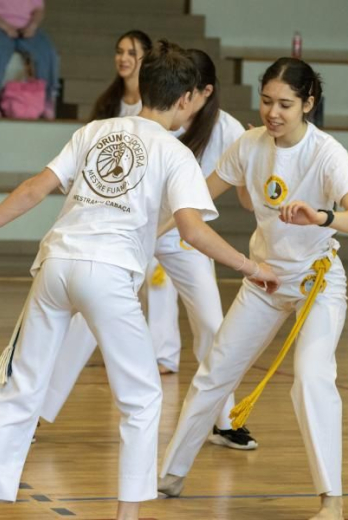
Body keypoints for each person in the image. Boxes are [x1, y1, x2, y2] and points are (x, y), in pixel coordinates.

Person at [0, 41, 279, 520]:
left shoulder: (95, 131)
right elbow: (192, 230)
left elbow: (32, 189)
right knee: (143, 399)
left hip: (56, 265)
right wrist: (252, 267)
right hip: (107, 273)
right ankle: (127, 516)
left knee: (20, 391)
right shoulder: (176, 152)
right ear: (188, 99)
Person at [157, 57, 348, 520]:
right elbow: (197, 197)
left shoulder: (327, 152)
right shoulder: (249, 144)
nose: (274, 113)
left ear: (308, 104)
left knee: (313, 378)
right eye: (267, 101)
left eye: (286, 105)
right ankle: (169, 475)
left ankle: (331, 500)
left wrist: (322, 216)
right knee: (214, 371)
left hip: (317, 281)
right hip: (263, 279)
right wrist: (145, 229)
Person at [39, 49, 257, 451]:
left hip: (184, 238)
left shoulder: (226, 129)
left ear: (204, 92)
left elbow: (242, 201)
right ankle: (39, 410)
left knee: (212, 322)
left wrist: (251, 158)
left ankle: (224, 419)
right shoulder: (144, 119)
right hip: (127, 233)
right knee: (87, 321)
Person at [0, 0, 60, 119]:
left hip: (27, 27)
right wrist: (6, 27)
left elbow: (39, 10)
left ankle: (46, 98)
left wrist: (32, 26)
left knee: (47, 51)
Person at [89, 29, 152, 121]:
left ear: (146, 57)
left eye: (132, 53)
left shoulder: (155, 101)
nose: (123, 58)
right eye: (119, 52)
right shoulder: (106, 102)